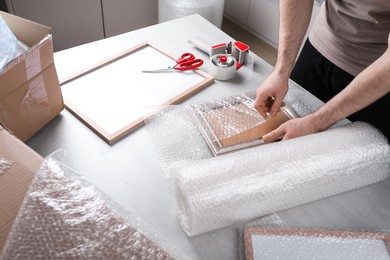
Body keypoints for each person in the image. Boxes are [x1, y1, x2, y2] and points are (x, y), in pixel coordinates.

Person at [254, 0, 390, 143]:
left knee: (351, 155)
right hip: (320, 46)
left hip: (374, 76)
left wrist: (314, 123)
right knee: (284, 137)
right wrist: (281, 70)